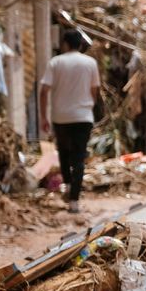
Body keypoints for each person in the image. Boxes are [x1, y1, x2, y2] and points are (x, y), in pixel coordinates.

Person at [39, 29, 101, 214]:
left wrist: (43, 116)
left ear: (65, 44)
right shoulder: (90, 63)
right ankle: (74, 202)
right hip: (83, 117)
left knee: (64, 154)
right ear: (81, 44)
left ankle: (67, 185)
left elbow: (43, 91)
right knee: (79, 158)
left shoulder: (55, 62)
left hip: (61, 117)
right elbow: (95, 90)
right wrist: (89, 106)